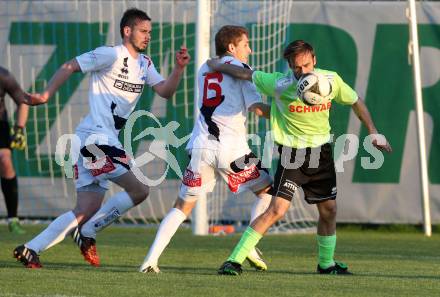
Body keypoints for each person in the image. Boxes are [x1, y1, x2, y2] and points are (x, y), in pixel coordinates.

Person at [13, 7, 190, 268]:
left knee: (86, 208)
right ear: (126, 31)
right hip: (96, 140)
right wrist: (46, 95)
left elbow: (165, 91)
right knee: (139, 190)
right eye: (143, 31)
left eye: (150, 32)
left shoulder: (145, 64)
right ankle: (88, 231)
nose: (147, 36)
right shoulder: (110, 54)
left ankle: (30, 248)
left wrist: (177, 69)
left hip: (99, 141)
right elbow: (70, 65)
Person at [208, 40, 392, 275]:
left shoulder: (330, 81)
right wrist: (217, 64)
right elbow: (244, 73)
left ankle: (326, 264)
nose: (302, 72)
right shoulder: (279, 83)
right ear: (289, 66)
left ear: (314, 60)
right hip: (292, 155)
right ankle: (233, 261)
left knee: (329, 211)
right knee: (277, 210)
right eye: (296, 67)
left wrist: (373, 132)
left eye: (306, 65)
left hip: (322, 154)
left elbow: (356, 101)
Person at [139, 25, 272, 274]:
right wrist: (289, 114)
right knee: (269, 193)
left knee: (181, 207)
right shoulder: (241, 69)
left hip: (200, 147)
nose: (250, 49)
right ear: (232, 47)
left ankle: (150, 260)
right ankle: (250, 245)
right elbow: (257, 108)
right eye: (245, 44)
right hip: (232, 150)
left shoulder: (205, 67)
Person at [0, 66, 29, 235]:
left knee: (4, 159)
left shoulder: (3, 75)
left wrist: (19, 129)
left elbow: (23, 101)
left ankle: (13, 219)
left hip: (0, 125)